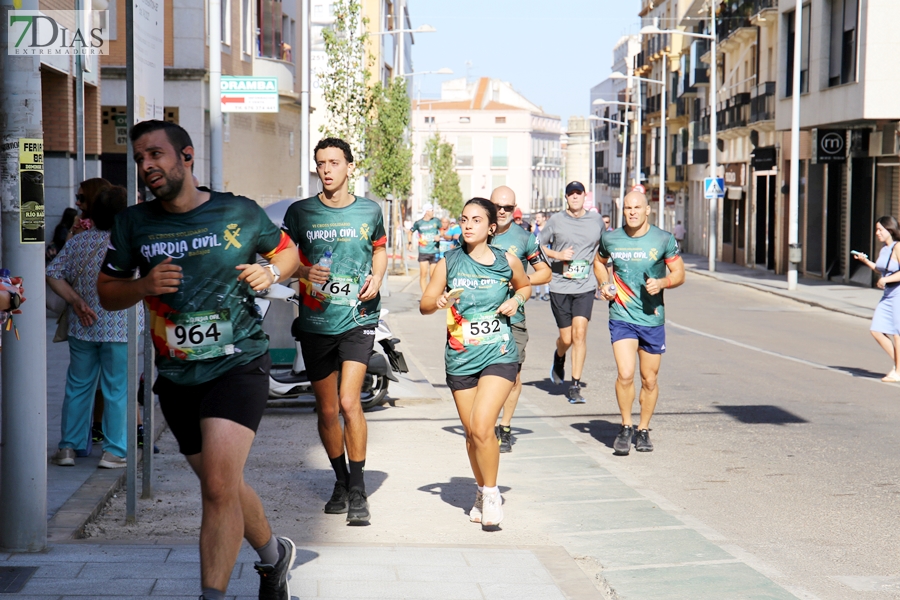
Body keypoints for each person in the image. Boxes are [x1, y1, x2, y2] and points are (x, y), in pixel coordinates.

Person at [97, 120, 300, 600]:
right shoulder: (133, 223)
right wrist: (143, 287)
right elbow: (107, 293)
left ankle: (212, 594)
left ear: (186, 157)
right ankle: (275, 556)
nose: (147, 166)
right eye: (139, 158)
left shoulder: (238, 211)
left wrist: (269, 269)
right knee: (221, 484)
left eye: (156, 155)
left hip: (238, 364)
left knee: (216, 487)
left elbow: (289, 255)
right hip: (177, 372)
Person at [282, 137, 387, 524]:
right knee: (326, 409)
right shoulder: (300, 213)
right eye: (321, 163)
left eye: (334, 162)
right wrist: (305, 272)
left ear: (349, 167)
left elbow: (379, 248)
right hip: (315, 319)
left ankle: (358, 489)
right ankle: (340, 481)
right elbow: (282, 257)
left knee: (348, 402)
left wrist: (377, 276)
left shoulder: (368, 211)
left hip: (358, 317)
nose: (326, 170)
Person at [420, 198, 531, 528]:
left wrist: (515, 299)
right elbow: (425, 303)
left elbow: (524, 285)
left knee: (484, 426)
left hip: (499, 354)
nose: (468, 225)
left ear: (490, 227)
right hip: (460, 357)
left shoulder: (505, 260)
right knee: (472, 434)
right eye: (465, 219)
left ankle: (493, 494)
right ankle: (482, 490)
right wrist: (437, 301)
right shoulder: (449, 262)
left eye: (477, 220)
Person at [48, 185, 132, 469]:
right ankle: (113, 451)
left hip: (82, 326)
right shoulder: (130, 244)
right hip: (121, 326)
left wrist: (77, 302)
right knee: (116, 389)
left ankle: (68, 448)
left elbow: (53, 274)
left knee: (78, 386)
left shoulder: (78, 242)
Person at [596, 190, 685, 455]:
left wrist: (663, 282)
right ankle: (625, 425)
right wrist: (604, 283)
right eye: (627, 208)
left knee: (649, 379)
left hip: (652, 319)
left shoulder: (663, 239)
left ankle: (643, 429)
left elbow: (679, 272)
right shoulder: (610, 238)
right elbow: (599, 263)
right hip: (622, 315)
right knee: (625, 374)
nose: (632, 212)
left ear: (647, 210)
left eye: (637, 207)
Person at [488, 186, 551, 453]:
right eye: (497, 206)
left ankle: (505, 426)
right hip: (479, 317)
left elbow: (545, 272)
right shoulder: (475, 232)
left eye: (508, 207)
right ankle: (486, 423)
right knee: (482, 376)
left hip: (515, 317)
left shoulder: (525, 238)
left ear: (515, 210)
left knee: (512, 376)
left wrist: (519, 285)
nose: (502, 211)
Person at [539, 181, 604, 403]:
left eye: (578, 193)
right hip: (559, 284)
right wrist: (558, 256)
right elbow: (537, 246)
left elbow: (604, 250)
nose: (575, 197)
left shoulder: (596, 220)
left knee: (580, 334)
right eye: (571, 194)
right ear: (566, 197)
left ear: (585, 196)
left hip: (585, 285)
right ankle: (559, 357)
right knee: (566, 338)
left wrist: (606, 279)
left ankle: (575, 385)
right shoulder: (556, 220)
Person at [853, 216, 900, 382]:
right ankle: (898, 364)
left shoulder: (898, 247)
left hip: (898, 293)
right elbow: (882, 270)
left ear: (890, 230)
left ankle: (898, 371)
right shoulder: (884, 249)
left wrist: (886, 280)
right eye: (877, 229)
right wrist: (865, 261)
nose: (877, 233)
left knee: (897, 332)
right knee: (876, 329)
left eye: (880, 229)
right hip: (887, 294)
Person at [408, 203, 442, 292]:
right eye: (432, 210)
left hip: (434, 250)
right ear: (427, 211)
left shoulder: (436, 221)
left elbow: (443, 230)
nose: (433, 212)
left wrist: (440, 236)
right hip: (423, 250)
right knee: (423, 274)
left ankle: (431, 293)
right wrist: (410, 243)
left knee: (433, 275)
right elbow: (410, 232)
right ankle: (424, 295)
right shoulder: (419, 223)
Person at [532, 213, 550, 301]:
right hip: (536, 254)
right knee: (537, 272)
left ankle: (547, 292)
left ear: (544, 218)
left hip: (547, 253)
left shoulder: (548, 228)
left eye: (538, 217)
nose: (537, 219)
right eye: (536, 217)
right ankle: (537, 292)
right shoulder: (533, 228)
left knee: (546, 272)